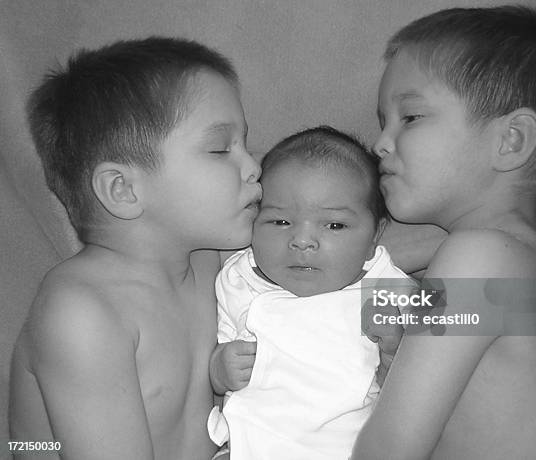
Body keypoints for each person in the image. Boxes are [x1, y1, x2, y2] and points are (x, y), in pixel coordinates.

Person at [352, 6, 536, 459]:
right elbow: (364, 298)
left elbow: (389, 447)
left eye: (411, 117)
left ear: (511, 141)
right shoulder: (505, 257)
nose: (381, 142)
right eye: (383, 121)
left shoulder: (477, 257)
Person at [9, 37, 263, 460]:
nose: (253, 165)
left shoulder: (207, 260)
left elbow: (339, 238)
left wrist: (410, 303)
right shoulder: (82, 311)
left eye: (244, 144)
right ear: (123, 190)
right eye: (221, 149)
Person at [207, 126, 418, 459]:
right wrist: (219, 370)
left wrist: (395, 350)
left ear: (374, 236)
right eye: (279, 222)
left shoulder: (385, 285)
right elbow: (220, 345)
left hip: (346, 449)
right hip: (247, 446)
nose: (302, 240)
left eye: (334, 225)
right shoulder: (240, 277)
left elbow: (439, 364)